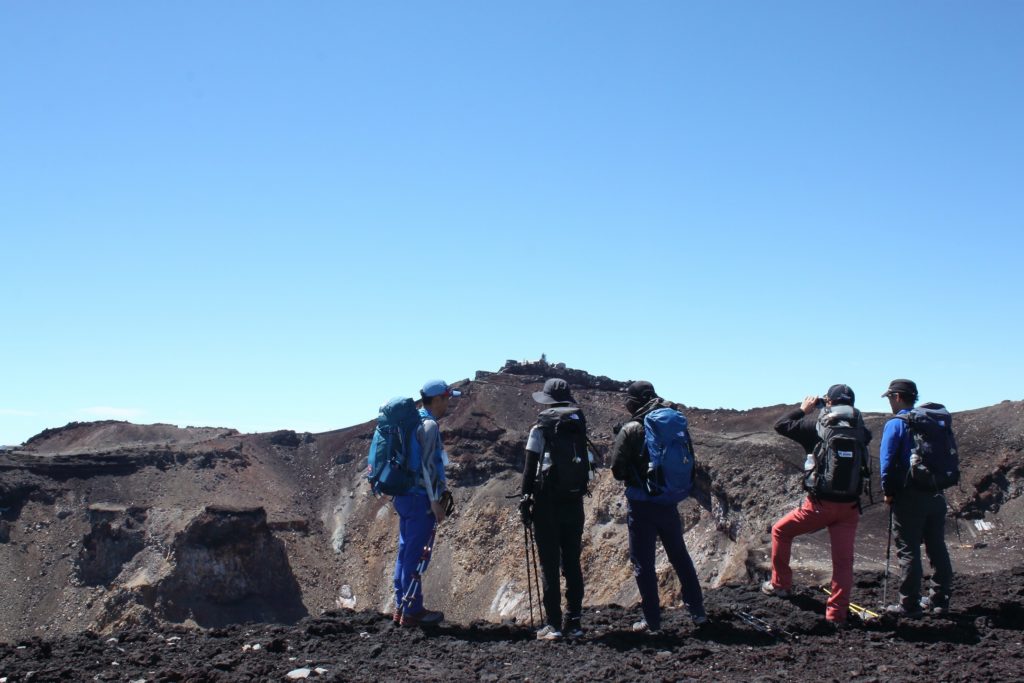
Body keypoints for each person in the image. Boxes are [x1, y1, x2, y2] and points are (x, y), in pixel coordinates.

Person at [764, 384, 872, 627]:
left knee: (780, 530)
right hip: (850, 507)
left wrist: (804, 410)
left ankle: (780, 585)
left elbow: (781, 425)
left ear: (829, 402)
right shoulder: (861, 431)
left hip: (819, 504)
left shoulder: (816, 426)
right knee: (843, 562)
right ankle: (836, 614)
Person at [609, 381, 707, 634]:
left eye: (628, 400)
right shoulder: (674, 422)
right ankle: (698, 612)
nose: (626, 404)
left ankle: (652, 622)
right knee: (679, 556)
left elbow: (618, 472)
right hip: (669, 501)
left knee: (643, 563)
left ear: (636, 400)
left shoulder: (631, 428)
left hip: (642, 505)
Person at [519, 378, 591, 640]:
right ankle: (574, 623)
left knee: (549, 564)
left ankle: (553, 624)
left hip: (547, 504)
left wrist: (525, 499)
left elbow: (530, 468)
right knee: (571, 562)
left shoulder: (540, 427)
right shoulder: (578, 423)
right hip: (574, 502)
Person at [880, 378, 954, 617]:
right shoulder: (933, 423)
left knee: (908, 549)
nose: (890, 402)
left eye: (890, 397)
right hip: (936, 493)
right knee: (937, 546)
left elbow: (887, 463)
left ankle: (908, 604)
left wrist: (889, 492)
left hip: (909, 496)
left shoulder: (897, 424)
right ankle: (940, 600)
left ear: (898, 397)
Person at [392, 379, 460, 626]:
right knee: (416, 554)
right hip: (420, 498)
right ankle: (412, 611)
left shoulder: (413, 422)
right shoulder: (429, 425)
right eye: (447, 398)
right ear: (438, 399)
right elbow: (428, 467)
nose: (449, 402)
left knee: (405, 551)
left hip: (404, 496)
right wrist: (435, 501)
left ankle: (402, 604)